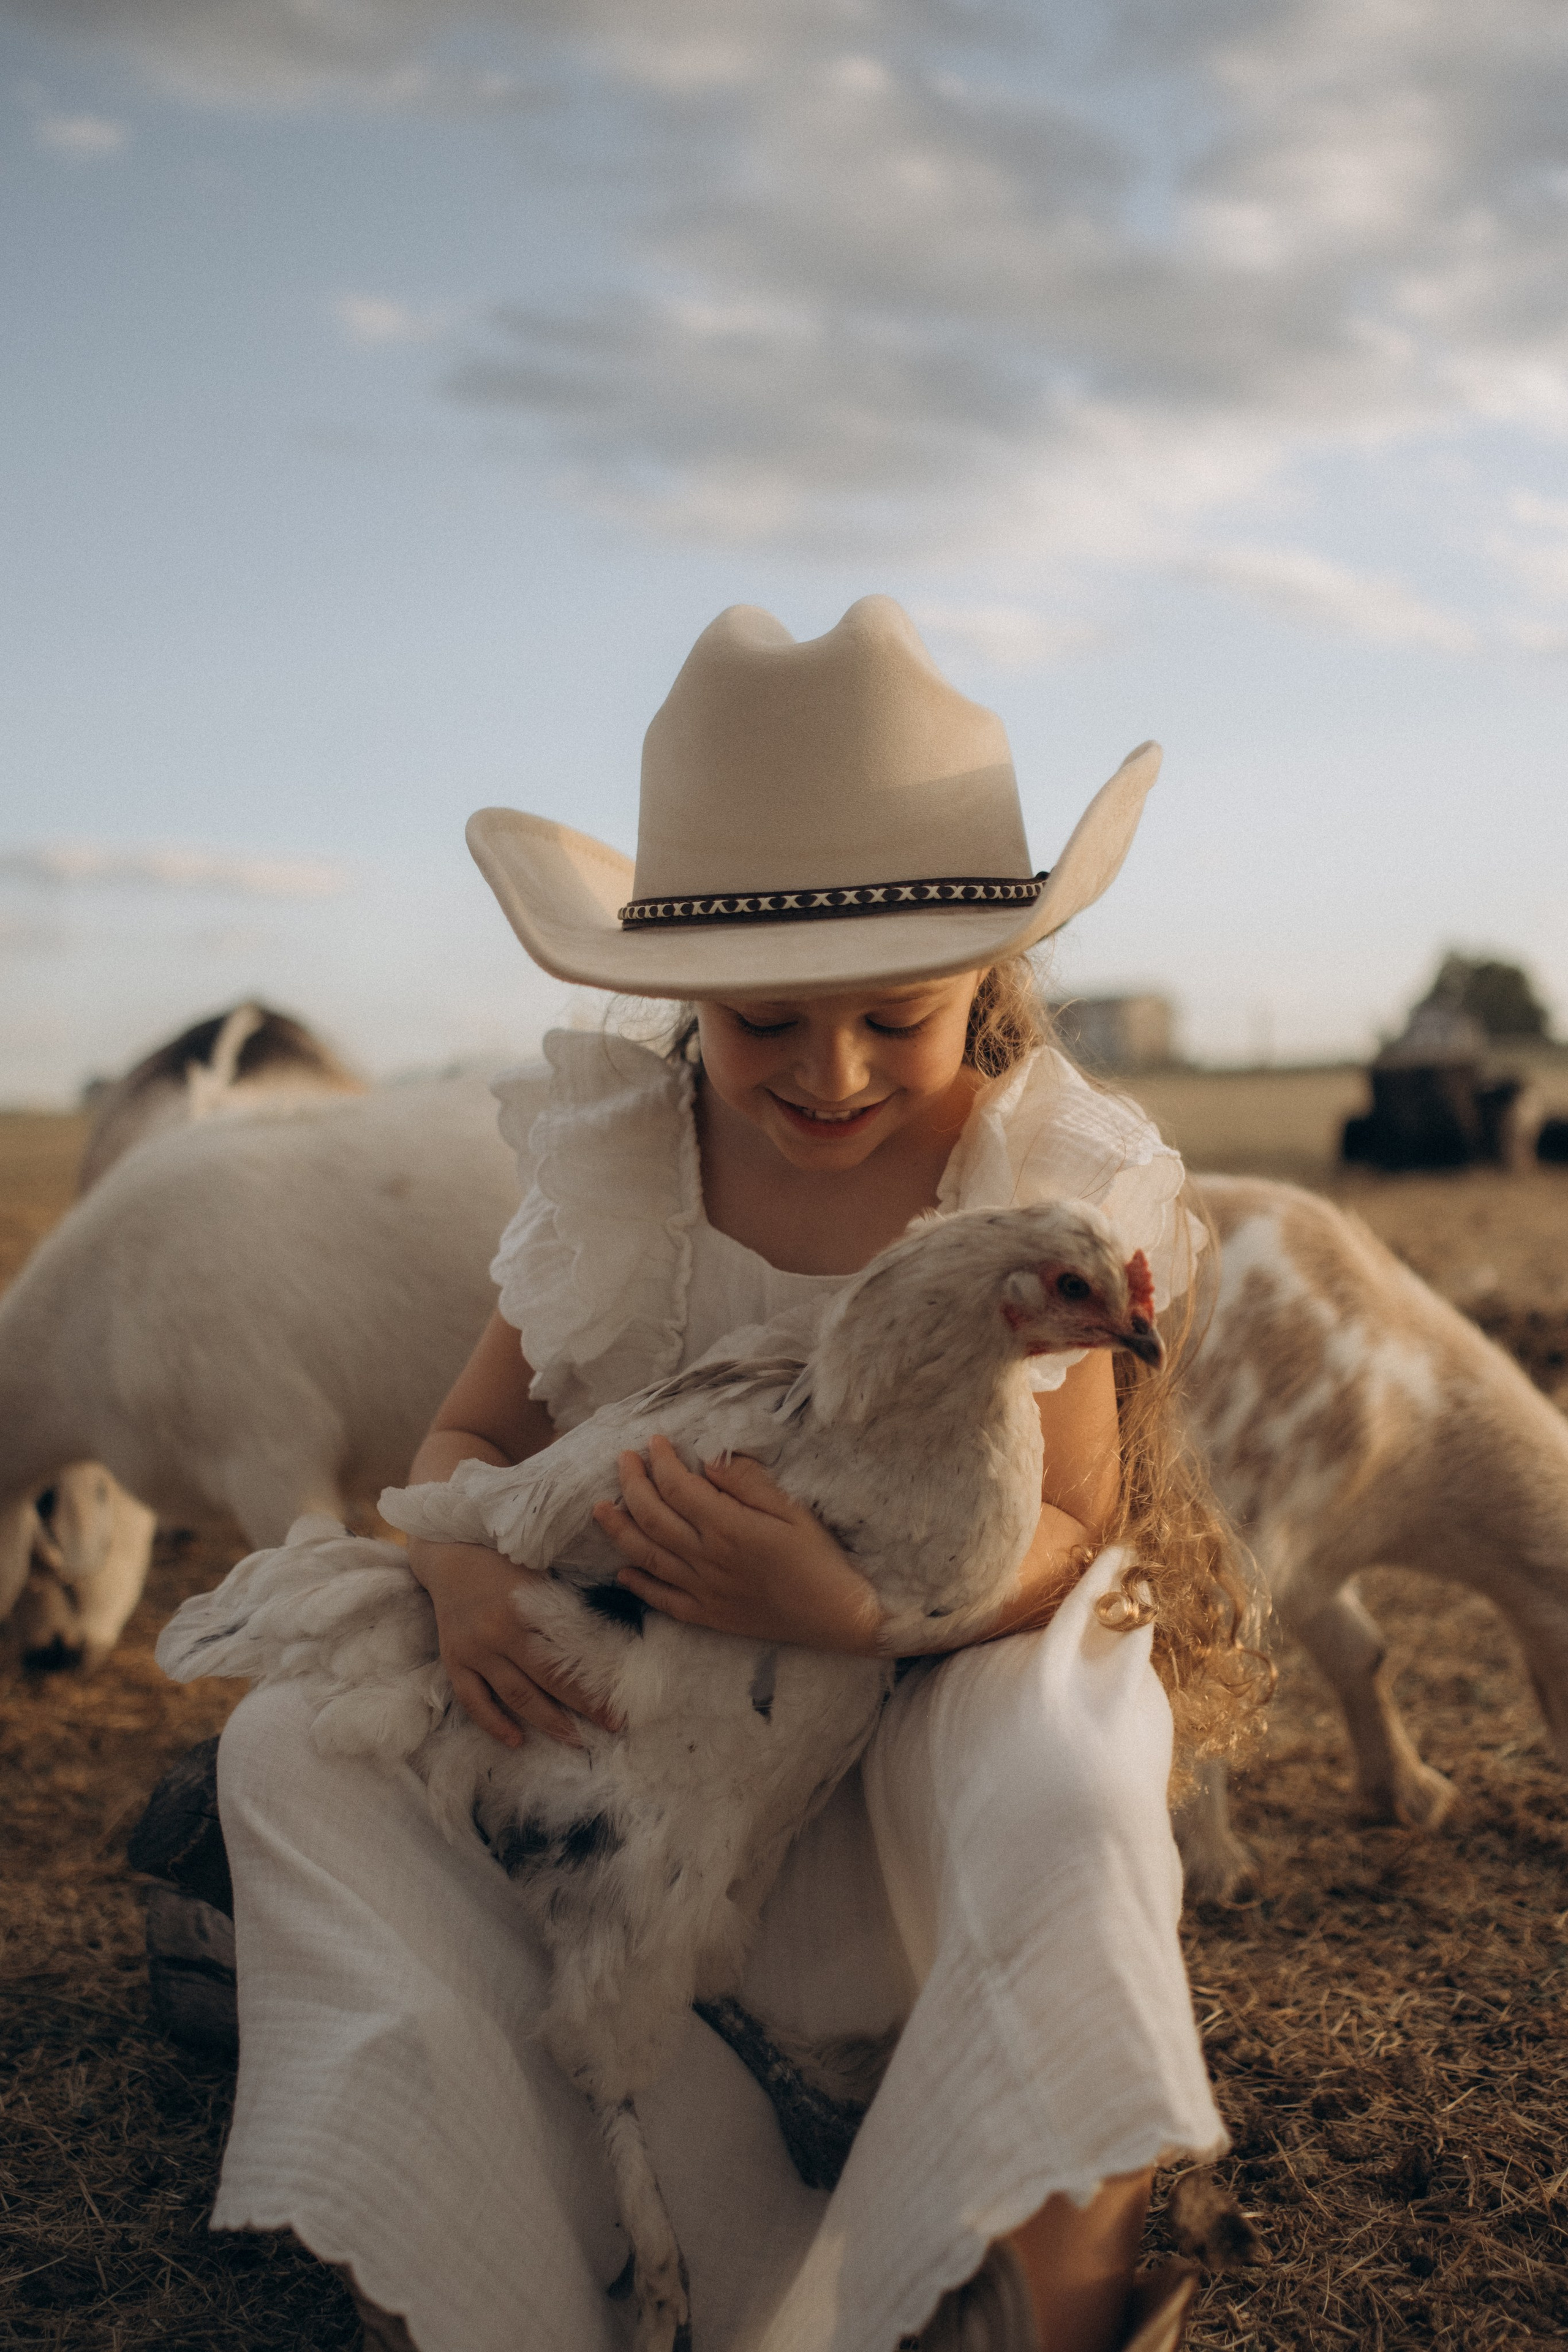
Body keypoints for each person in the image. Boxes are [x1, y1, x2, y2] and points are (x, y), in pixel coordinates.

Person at [213, 598, 1262, 2352]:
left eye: (895, 1022)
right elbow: (465, 1447)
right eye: (762, 1025)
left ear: (983, 994)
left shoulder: (1036, 1165)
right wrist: (467, 1582)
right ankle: (511, 2211)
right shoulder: (622, 1167)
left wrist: (853, 1609)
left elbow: (1074, 1527)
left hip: (929, 1674)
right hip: (661, 1699)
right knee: (283, 1753)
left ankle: (1039, 2264)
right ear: (679, 997)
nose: (828, 1074)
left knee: (1073, 1772)